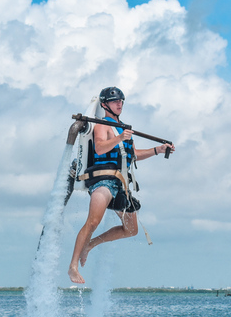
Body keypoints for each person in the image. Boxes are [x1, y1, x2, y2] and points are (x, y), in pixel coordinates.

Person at [68, 87, 175, 284]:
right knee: (92, 222)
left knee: (131, 229)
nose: (120, 104)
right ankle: (72, 267)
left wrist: (157, 150)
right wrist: (119, 137)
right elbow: (99, 148)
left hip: (121, 184)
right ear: (104, 104)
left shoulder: (123, 128)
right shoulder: (102, 124)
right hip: (103, 180)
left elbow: (133, 155)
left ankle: (89, 245)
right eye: (115, 101)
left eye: (121, 101)